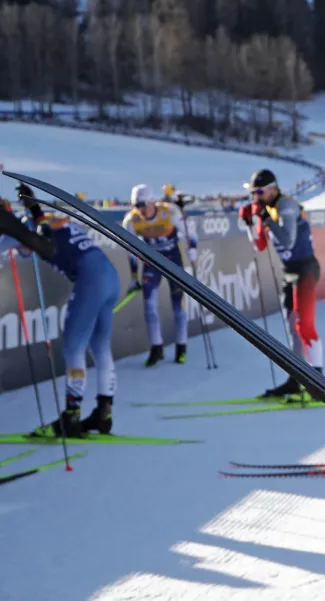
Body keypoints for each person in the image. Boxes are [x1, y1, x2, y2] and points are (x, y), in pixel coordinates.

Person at [0, 186, 120, 437]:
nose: (23, 254)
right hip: (109, 274)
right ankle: (104, 413)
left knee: (73, 346)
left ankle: (71, 416)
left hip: (90, 277)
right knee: (100, 346)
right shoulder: (55, 222)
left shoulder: (26, 229)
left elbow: (7, 243)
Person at [238, 169, 324, 398]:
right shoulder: (266, 208)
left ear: (273, 189)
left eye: (259, 191)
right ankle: (296, 378)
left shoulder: (285, 206)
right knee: (292, 328)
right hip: (290, 272)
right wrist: (250, 221)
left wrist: (264, 219)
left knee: (304, 326)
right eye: (252, 192)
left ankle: (318, 380)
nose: (255, 196)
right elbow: (259, 246)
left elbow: (288, 240)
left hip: (305, 268)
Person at [122, 183, 198, 366]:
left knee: (178, 304)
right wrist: (133, 276)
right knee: (149, 305)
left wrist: (192, 248)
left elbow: (189, 231)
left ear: (151, 202)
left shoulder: (169, 212)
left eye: (141, 205)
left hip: (173, 258)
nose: (138, 210)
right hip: (152, 261)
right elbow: (130, 250)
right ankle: (156, 347)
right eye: (135, 205)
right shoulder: (131, 220)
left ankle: (181, 346)